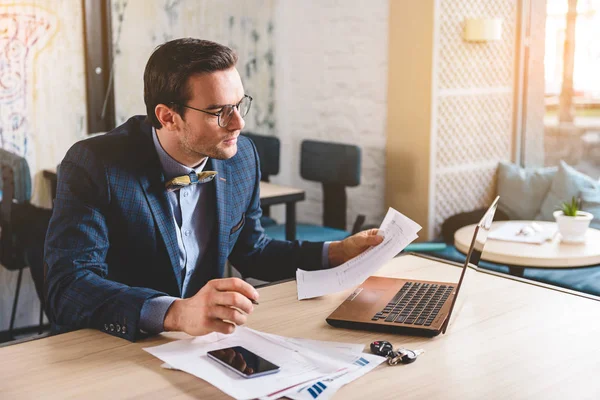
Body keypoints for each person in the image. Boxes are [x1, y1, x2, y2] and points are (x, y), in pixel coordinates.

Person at [44, 38, 382, 342]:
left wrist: (336, 252)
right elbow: (69, 286)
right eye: (219, 112)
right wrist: (175, 313)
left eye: (238, 104)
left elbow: (253, 250)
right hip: (109, 348)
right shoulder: (95, 164)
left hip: (197, 347)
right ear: (168, 117)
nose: (238, 123)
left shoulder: (241, 158)